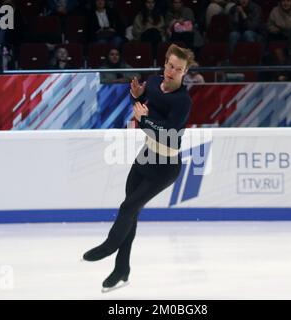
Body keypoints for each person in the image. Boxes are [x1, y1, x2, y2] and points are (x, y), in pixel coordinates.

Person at [83, 44, 194, 292]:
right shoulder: (153, 83)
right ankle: (122, 268)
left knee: (127, 207)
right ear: (165, 63)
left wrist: (144, 119)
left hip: (165, 166)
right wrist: (137, 96)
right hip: (145, 156)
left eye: (179, 68)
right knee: (130, 214)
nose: (172, 71)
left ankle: (110, 246)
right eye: (170, 65)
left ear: (185, 72)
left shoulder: (182, 102)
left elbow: (170, 134)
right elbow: (144, 108)